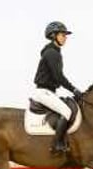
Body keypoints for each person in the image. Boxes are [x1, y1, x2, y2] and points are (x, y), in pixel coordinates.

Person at [33, 21, 82, 154]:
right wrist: (74, 90)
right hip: (43, 92)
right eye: (62, 34)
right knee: (67, 112)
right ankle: (57, 144)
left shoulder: (54, 52)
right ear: (53, 35)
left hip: (49, 92)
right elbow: (59, 77)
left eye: (65, 35)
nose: (65, 37)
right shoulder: (51, 53)